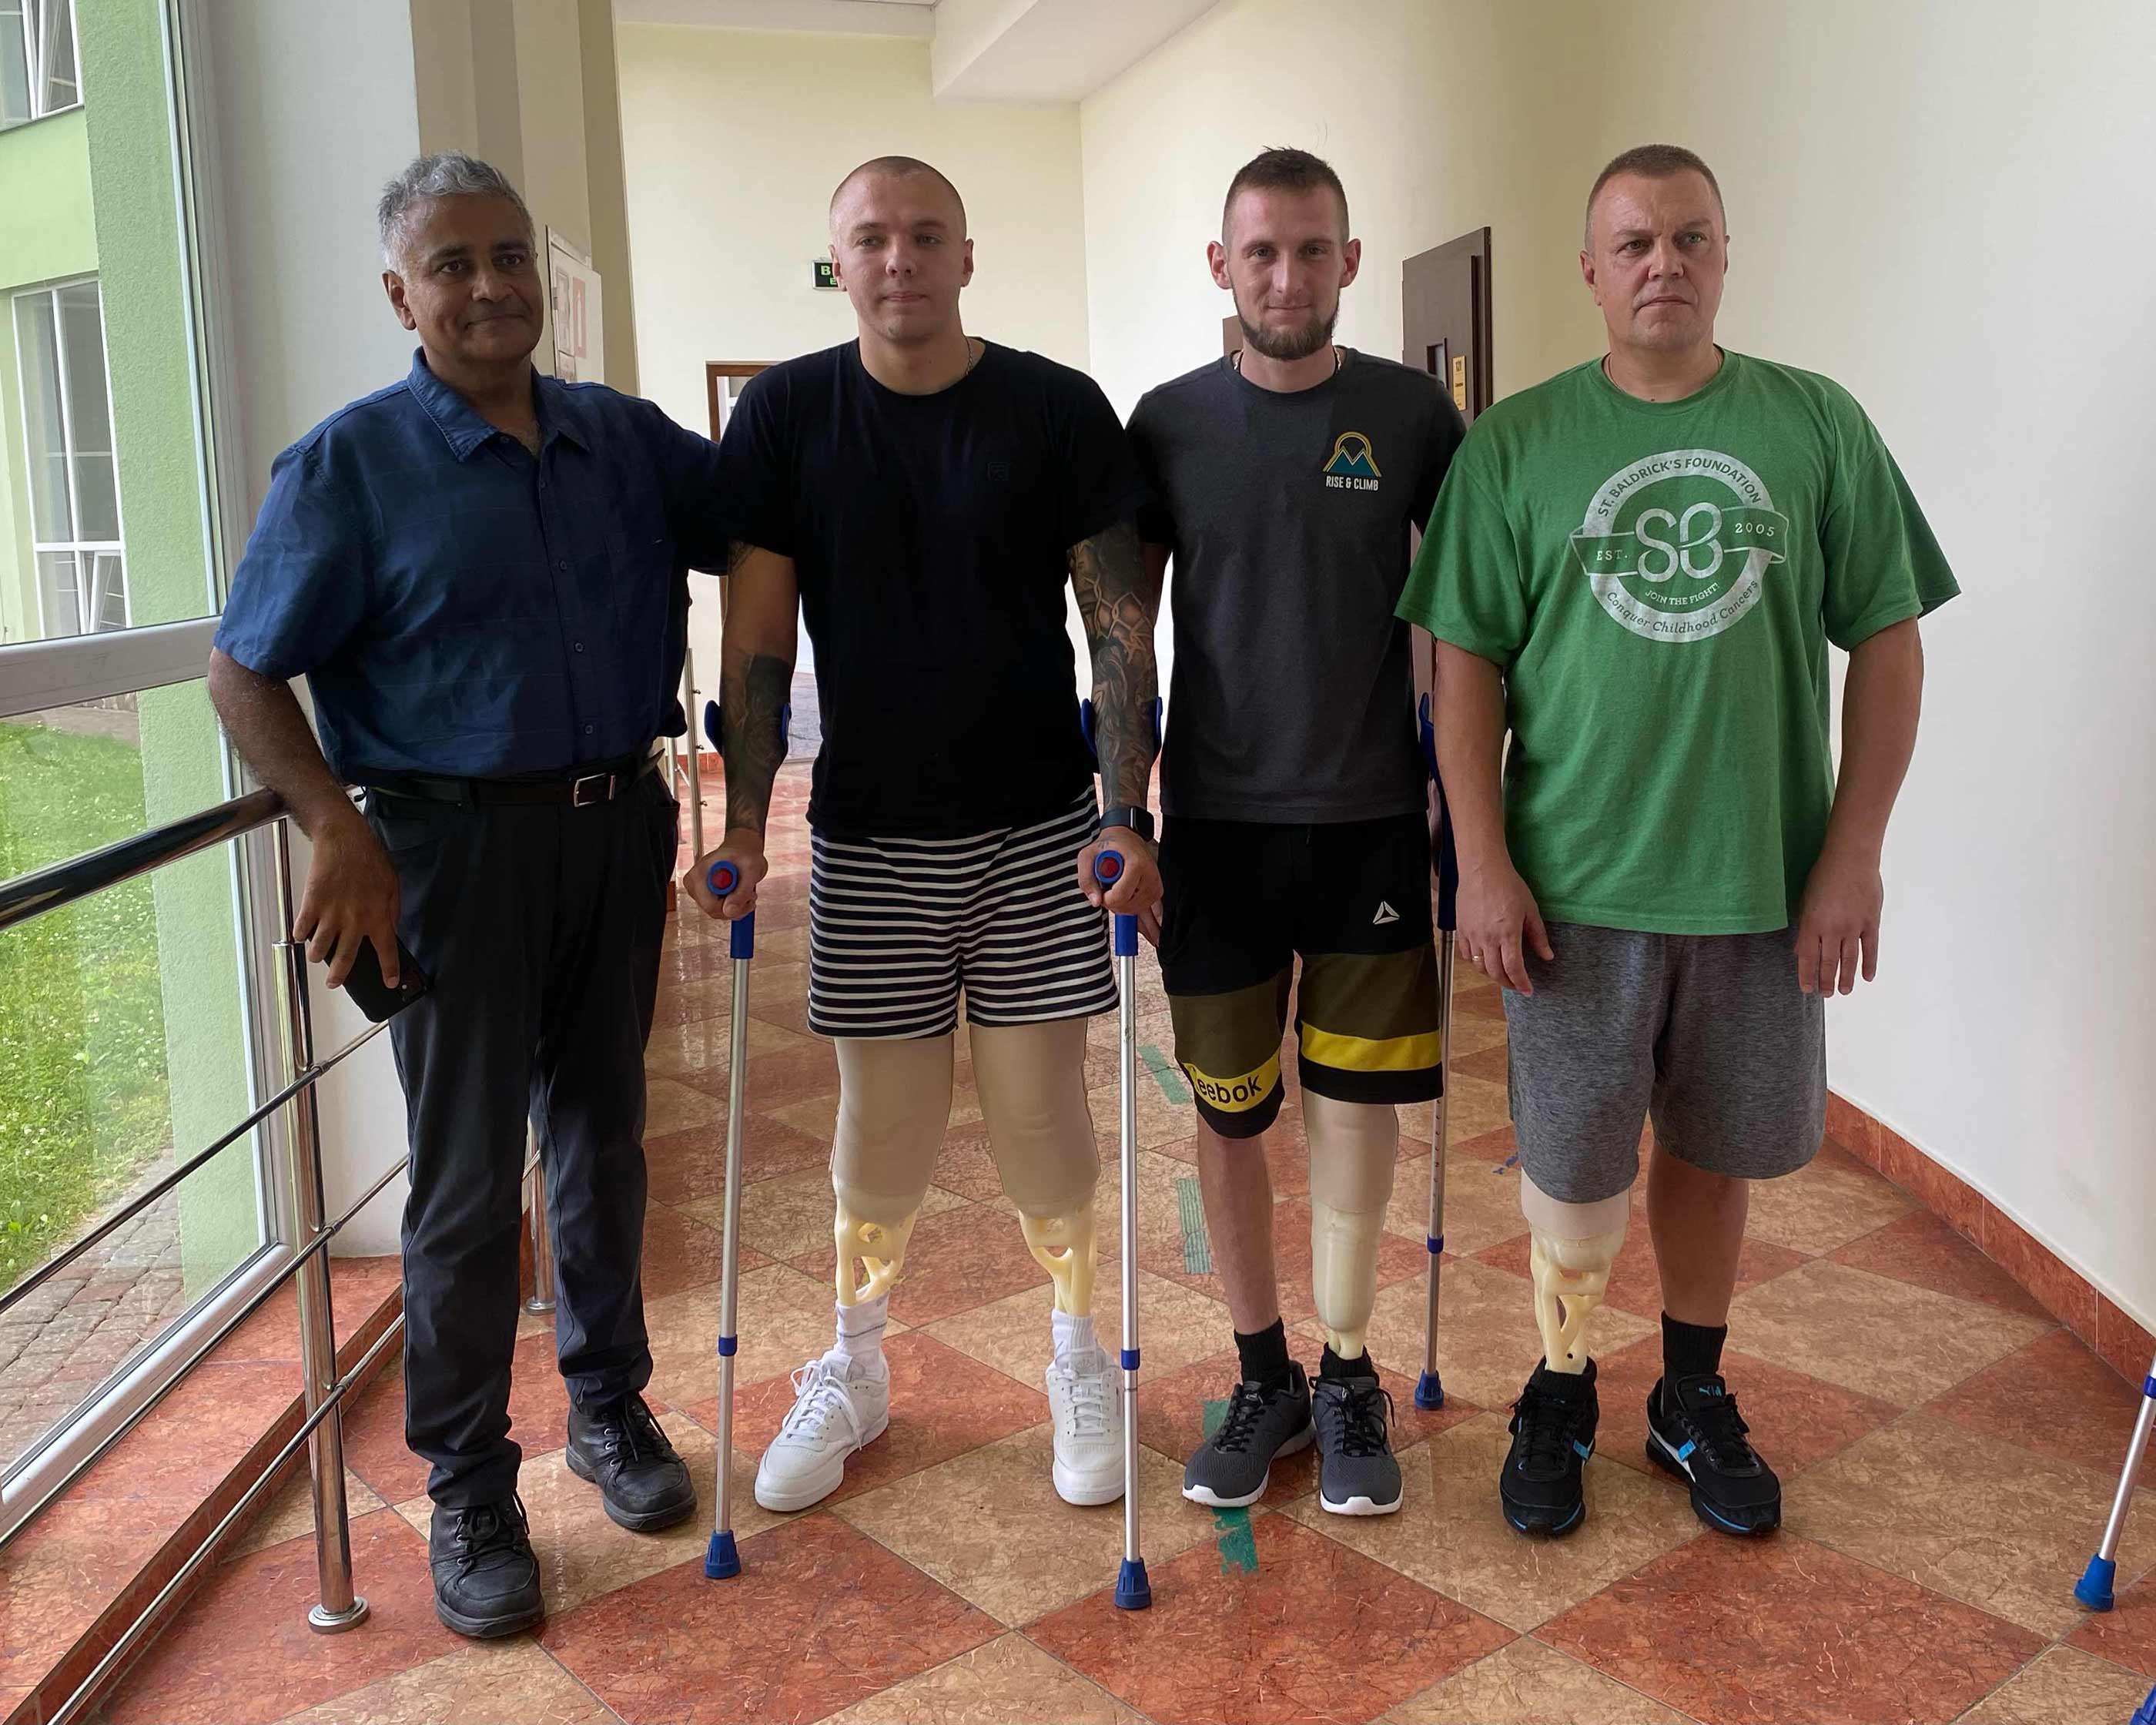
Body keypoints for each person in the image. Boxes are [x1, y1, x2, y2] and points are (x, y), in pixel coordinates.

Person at [1398, 143, 1957, 1539]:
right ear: (1590, 271)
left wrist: (1854, 853)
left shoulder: (1815, 423)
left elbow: (1888, 642)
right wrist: (1481, 857)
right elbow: (1457, 664)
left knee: (1712, 1154)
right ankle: (1562, 1380)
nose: (1665, 264)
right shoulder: (1517, 444)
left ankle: (1687, 1396)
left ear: (1725, 255)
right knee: (1573, 1167)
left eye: (1690, 239)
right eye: (1635, 243)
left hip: (1757, 884)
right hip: (1572, 883)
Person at [209, 154, 728, 1638]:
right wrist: (335, 824)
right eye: (454, 266)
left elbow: (768, 517)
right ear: (401, 295)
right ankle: (470, 1485)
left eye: (510, 258)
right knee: (456, 1191)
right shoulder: (350, 467)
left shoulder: (623, 442)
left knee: (605, 1140)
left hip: (612, 831)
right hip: (442, 857)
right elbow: (243, 667)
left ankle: (610, 1410)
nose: (491, 286)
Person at [688, 156, 1162, 1514]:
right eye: (871, 239)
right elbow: (762, 645)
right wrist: (740, 826)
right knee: (879, 1130)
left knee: (1040, 1117)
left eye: (925, 236)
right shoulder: (784, 416)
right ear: (839, 262)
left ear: (966, 256)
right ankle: (855, 1365)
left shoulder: (1053, 409)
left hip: (1034, 826)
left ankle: (1077, 1356)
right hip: (873, 834)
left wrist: (1125, 813)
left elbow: (1117, 631)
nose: (899, 259)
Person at [1130, 148, 1463, 1519]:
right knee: (1232, 1111)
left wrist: (1466, 804)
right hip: (1215, 830)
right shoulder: (1166, 425)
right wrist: (1122, 811)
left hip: (1374, 823)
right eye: (1260, 252)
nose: (1286, 275)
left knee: (1355, 1115)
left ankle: (1347, 1367)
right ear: (1222, 265)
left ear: (1349, 260)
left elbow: (1461, 625)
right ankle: (1262, 1371)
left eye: (1311, 250)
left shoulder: (1416, 416)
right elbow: (1120, 630)